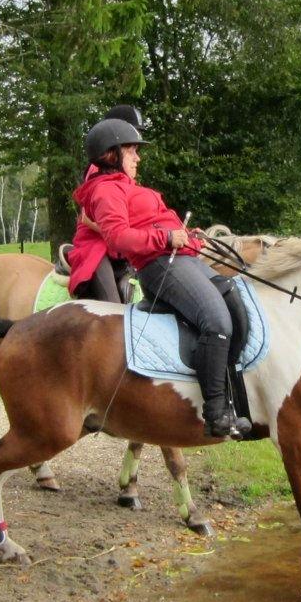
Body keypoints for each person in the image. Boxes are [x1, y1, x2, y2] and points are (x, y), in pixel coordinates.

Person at [73, 118, 250, 439]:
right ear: (112, 154)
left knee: (235, 302)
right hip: (159, 265)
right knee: (217, 321)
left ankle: (234, 396)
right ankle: (215, 412)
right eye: (131, 151)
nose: (138, 157)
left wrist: (189, 237)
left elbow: (155, 223)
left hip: (181, 257)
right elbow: (117, 238)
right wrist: (167, 239)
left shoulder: (130, 187)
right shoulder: (104, 191)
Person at [67, 105, 147, 302]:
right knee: (113, 306)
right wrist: (126, 236)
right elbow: (86, 218)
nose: (135, 136)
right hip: (96, 246)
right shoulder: (98, 169)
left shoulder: (123, 173)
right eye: (132, 130)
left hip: (120, 248)